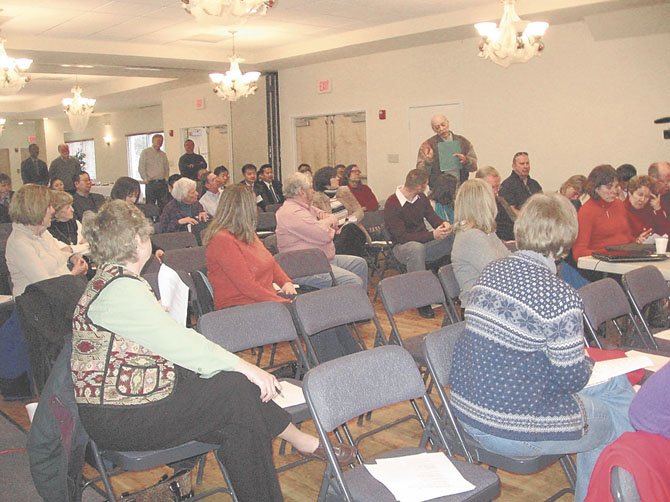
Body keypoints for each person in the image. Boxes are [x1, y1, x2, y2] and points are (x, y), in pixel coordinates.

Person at [72, 200, 355, 502]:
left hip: (137, 399)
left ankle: (297, 449)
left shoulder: (111, 281)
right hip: (123, 417)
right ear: (137, 241)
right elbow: (182, 345)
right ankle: (302, 442)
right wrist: (249, 368)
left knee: (239, 422)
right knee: (235, 388)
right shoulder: (122, 289)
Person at [450, 192, 635, 502]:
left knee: (615, 386)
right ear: (565, 240)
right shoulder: (559, 296)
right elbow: (570, 379)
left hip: (467, 409)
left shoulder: (492, 272)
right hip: (509, 425)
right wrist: (584, 363)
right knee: (614, 419)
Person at [204, 185, 296, 310]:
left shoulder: (247, 232)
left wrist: (286, 282)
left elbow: (271, 263)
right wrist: (282, 302)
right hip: (239, 306)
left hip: (262, 299)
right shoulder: (222, 239)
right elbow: (247, 286)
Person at [275, 172, 368, 291]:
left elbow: (326, 224)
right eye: (310, 188)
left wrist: (326, 224)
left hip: (322, 260)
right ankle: (347, 307)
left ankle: (358, 306)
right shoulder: (291, 213)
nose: (313, 191)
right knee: (352, 281)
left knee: (359, 264)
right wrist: (330, 222)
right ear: (301, 192)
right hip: (304, 267)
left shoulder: (305, 207)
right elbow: (325, 235)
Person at [384, 169, 453, 318]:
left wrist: (444, 225)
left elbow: (433, 218)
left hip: (423, 244)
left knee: (452, 236)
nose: (427, 187)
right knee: (415, 248)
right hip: (402, 248)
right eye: (426, 184)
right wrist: (432, 235)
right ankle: (421, 301)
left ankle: (451, 289)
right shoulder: (392, 203)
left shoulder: (421, 198)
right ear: (419, 186)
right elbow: (401, 237)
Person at [6, 184, 88, 297]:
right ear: (37, 209)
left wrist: (71, 257)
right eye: (49, 206)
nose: (53, 210)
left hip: (60, 297)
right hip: (37, 307)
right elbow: (45, 285)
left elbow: (57, 256)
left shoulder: (43, 232)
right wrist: (73, 274)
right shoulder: (19, 243)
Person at [572, 165, 650, 261]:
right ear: (596, 188)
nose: (614, 191)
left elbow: (626, 237)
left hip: (625, 258)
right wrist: (608, 253)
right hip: (603, 264)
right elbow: (578, 252)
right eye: (609, 187)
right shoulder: (586, 212)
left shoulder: (619, 205)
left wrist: (637, 242)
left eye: (616, 186)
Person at [451, 179, 509, 307]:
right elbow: (499, 275)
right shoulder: (471, 236)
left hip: (493, 301)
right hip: (480, 307)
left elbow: (508, 258)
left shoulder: (485, 231)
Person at [312, 166, 368, 257]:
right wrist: (337, 227)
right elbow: (320, 222)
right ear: (325, 180)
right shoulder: (317, 199)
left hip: (353, 229)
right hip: (333, 235)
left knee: (350, 229)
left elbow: (359, 211)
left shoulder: (344, 192)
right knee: (349, 235)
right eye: (334, 177)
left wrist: (347, 222)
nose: (338, 178)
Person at [416, 114, 477, 186]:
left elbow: (474, 167)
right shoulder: (428, 145)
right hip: (438, 190)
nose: (441, 129)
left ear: (448, 123)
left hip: (460, 186)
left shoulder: (463, 142)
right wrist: (428, 160)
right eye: (437, 127)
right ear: (433, 129)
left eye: (443, 125)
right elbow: (420, 172)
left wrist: (466, 161)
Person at [476, 166, 516, 242]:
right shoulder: (477, 208)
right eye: (493, 187)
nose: (496, 191)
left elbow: (514, 221)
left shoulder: (500, 200)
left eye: (498, 187)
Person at [47, 191, 89, 255]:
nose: (73, 210)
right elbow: (60, 252)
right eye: (67, 207)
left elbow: (90, 246)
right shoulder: (49, 229)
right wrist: (81, 247)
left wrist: (71, 249)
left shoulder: (76, 223)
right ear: (57, 210)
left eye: (71, 206)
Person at [138, 134, 169, 210]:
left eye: (161, 141)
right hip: (151, 183)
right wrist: (145, 178)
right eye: (158, 140)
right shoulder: (146, 152)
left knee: (163, 205)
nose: (159, 142)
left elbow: (166, 168)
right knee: (150, 205)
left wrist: (166, 179)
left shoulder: (163, 155)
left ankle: (162, 220)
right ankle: (151, 221)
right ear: (153, 141)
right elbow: (141, 167)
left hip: (162, 183)